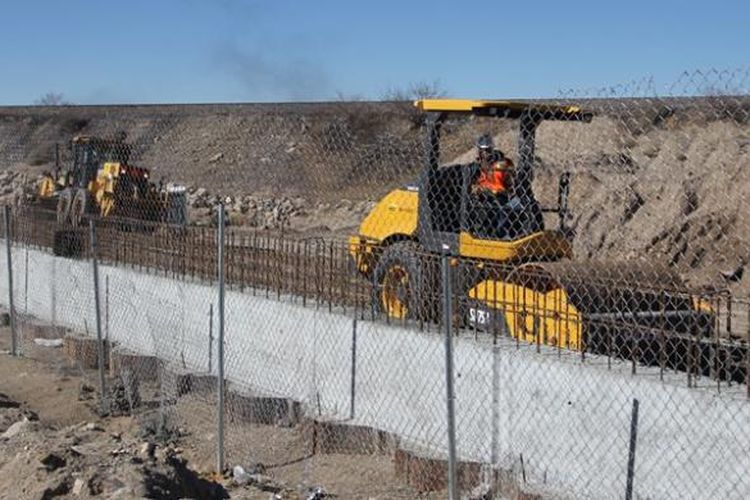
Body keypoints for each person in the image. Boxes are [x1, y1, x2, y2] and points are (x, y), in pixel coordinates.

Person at [469, 134, 524, 238]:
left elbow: (510, 184)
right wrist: (476, 189)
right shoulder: (476, 166)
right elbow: (473, 184)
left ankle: (501, 235)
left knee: (506, 208)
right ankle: (481, 233)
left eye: (488, 150)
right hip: (483, 198)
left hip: (502, 197)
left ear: (492, 150)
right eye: (482, 150)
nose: (485, 153)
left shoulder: (502, 164)